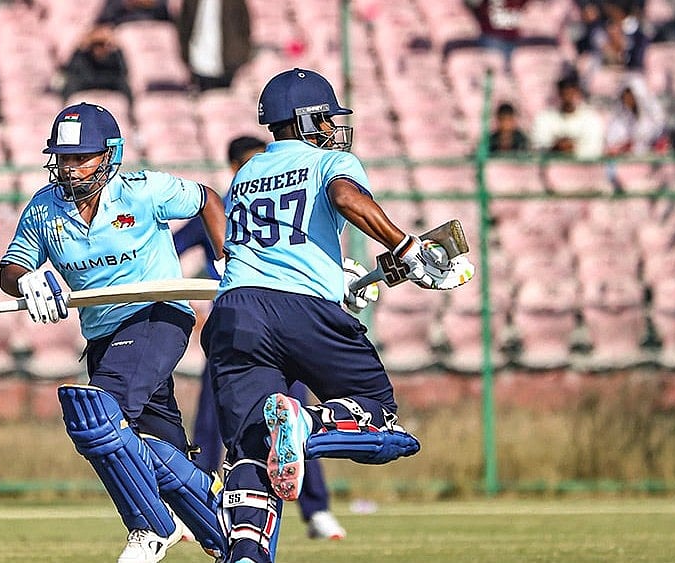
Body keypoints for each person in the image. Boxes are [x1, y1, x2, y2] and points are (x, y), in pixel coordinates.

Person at [200, 68, 474, 562]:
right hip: (299, 309)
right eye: (325, 117)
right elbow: (346, 198)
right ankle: (306, 422)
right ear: (306, 118)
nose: (331, 127)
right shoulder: (330, 160)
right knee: (382, 417)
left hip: (235, 311)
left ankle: (245, 554)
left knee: (250, 447)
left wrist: (337, 277)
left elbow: (278, 247)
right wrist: (404, 244)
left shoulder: (247, 173)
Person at [0, 102, 227, 563]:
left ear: (110, 154)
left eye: (81, 157)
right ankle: (225, 529)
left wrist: (227, 259)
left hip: (157, 314)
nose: (70, 168)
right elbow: (11, 264)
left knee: (97, 416)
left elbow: (206, 198)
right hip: (103, 333)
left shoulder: (143, 191)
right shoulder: (45, 209)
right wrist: (25, 278)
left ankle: (149, 525)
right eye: (63, 157)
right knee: (160, 450)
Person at [175, 135, 348, 541]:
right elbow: (170, 250)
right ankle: (200, 505)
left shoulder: (290, 207)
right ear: (236, 168)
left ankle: (316, 509)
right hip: (237, 325)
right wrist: (193, 303)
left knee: (295, 419)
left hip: (288, 323)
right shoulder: (224, 209)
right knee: (212, 420)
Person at [176, 0, 252, 92]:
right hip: (198, 63)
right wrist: (185, 57)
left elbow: (244, 28)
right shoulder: (191, 2)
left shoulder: (235, 2)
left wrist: (241, 56)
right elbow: (184, 29)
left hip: (229, 64)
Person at [531, 74, 605, 160]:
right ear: (559, 94)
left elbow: (595, 149)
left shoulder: (592, 118)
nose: (568, 98)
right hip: (553, 167)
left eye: (571, 93)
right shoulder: (545, 117)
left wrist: (573, 147)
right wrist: (556, 147)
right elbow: (538, 145)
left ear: (578, 93)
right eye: (564, 93)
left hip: (584, 170)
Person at [57, 25, 133, 103]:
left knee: (125, 85)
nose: (98, 49)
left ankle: (131, 113)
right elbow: (72, 70)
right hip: (86, 84)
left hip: (109, 84)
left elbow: (124, 72)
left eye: (102, 45)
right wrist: (81, 47)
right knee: (69, 84)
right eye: (95, 45)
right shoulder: (83, 56)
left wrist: (116, 46)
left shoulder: (113, 56)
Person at [604, 76, 666, 156]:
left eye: (630, 96)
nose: (628, 99)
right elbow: (612, 143)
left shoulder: (653, 118)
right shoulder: (619, 119)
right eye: (625, 96)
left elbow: (657, 141)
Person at [96, 0, 171, 26]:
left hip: (156, 28)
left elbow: (171, 12)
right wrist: (125, 3)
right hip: (123, 30)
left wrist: (152, 3)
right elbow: (104, 16)